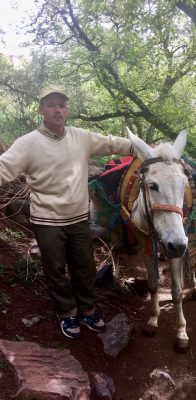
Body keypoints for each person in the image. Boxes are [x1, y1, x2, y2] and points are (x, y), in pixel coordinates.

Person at [0, 85, 134, 339]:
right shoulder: (28, 143)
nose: (57, 110)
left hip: (78, 218)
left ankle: (88, 309)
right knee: (55, 268)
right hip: (46, 219)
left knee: (84, 267)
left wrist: (140, 148)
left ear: (66, 110)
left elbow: (109, 144)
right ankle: (66, 312)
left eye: (61, 105)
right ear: (41, 109)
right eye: (51, 105)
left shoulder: (80, 137)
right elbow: (4, 168)